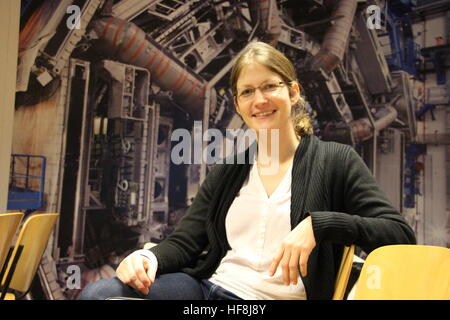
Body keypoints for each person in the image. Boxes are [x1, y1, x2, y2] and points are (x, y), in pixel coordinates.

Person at [80, 41, 416, 300]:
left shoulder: (335, 161)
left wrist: (320, 225)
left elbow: (399, 235)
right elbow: (185, 241)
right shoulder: (230, 170)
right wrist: (145, 259)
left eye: (270, 86)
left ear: (293, 92)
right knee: (99, 294)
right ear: (239, 105)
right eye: (247, 92)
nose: (259, 100)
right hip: (208, 291)